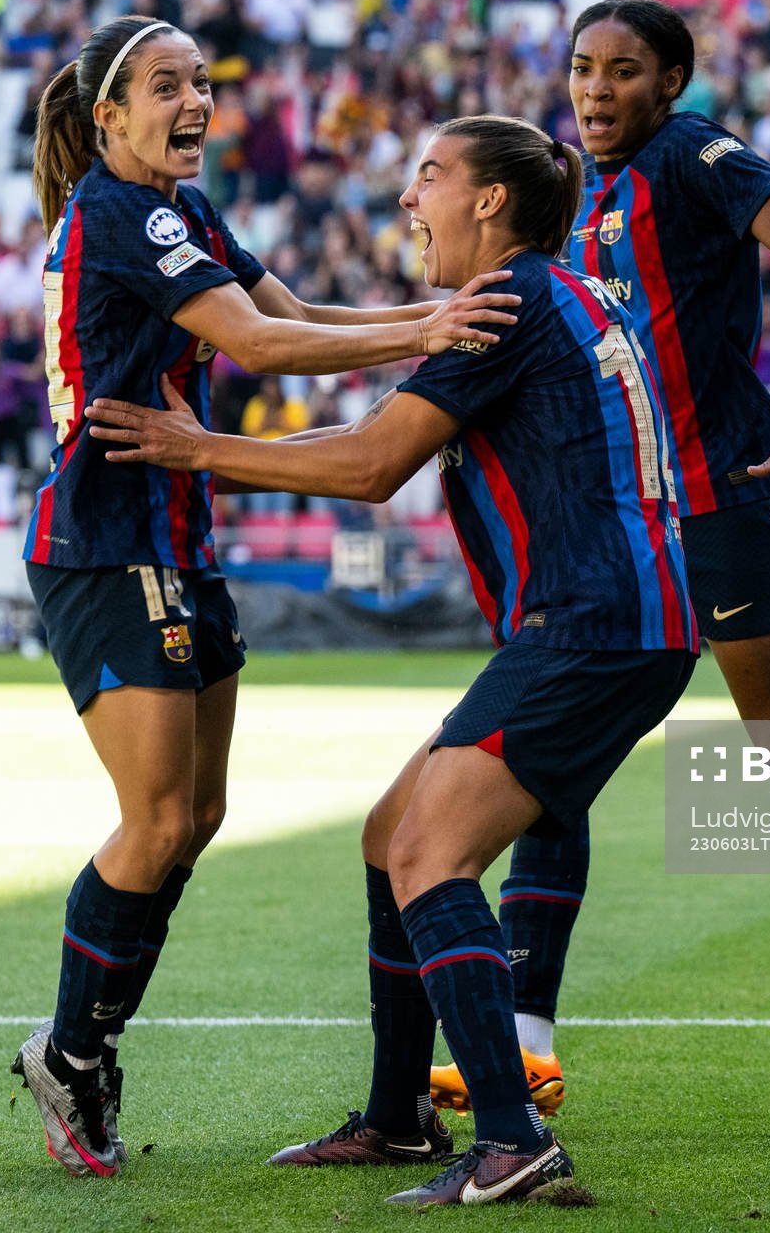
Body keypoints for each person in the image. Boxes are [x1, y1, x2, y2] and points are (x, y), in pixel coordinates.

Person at [88, 113, 696, 1206]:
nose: (411, 200)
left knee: (428, 855)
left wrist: (199, 450)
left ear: (491, 202)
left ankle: (511, 1140)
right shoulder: (570, 291)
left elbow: (373, 464)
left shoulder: (505, 304)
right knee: (388, 837)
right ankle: (399, 1112)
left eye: (429, 176)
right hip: (615, 618)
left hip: (591, 624)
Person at [430, 0, 770, 1126]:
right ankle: (529, 1035)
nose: (596, 91)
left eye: (623, 71)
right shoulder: (566, 189)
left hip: (731, 495)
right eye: (583, 68)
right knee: (549, 750)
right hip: (618, 516)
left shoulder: (692, 155)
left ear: (671, 82)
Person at [5, 16, 521, 1181]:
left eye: (201, 81)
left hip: (178, 533)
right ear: (110, 119)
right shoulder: (118, 212)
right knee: (155, 820)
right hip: (105, 538)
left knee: (196, 814)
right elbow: (254, 344)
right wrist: (430, 325)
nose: (197, 101)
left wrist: (419, 329)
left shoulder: (177, 211)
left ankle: (80, 1047)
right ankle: (73, 1052)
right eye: (167, 86)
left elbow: (292, 316)